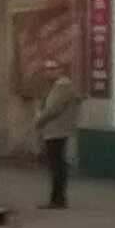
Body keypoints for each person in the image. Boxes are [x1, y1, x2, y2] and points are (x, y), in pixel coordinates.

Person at [35, 59, 80, 209]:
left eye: (52, 69)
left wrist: (39, 120)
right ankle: (56, 198)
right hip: (53, 131)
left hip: (58, 131)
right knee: (55, 165)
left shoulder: (62, 86)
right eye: (46, 69)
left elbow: (53, 109)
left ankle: (58, 199)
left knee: (57, 166)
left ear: (59, 70)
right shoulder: (54, 86)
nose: (48, 72)